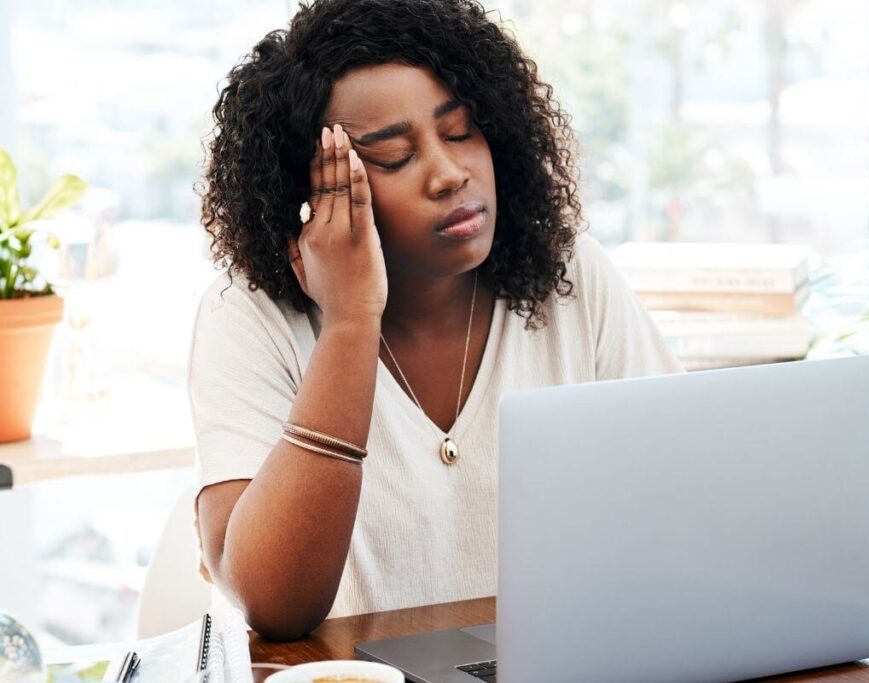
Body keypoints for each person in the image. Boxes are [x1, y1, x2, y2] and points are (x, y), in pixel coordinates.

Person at [190, 0, 683, 642]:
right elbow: (275, 604)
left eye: (460, 133)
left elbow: (682, 498)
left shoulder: (571, 278)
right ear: (307, 199)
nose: (450, 174)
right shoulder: (249, 318)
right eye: (394, 156)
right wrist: (348, 323)